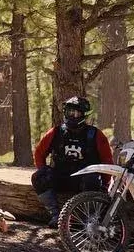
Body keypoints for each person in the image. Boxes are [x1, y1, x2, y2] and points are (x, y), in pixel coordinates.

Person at [31, 96, 113, 227]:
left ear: (84, 115)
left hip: (84, 181)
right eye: (70, 112)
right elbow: (39, 153)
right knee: (39, 176)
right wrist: (43, 169)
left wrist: (105, 184)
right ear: (65, 112)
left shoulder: (96, 135)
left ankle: (85, 219)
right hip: (60, 177)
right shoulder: (55, 132)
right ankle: (55, 215)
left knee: (92, 178)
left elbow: (107, 162)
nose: (73, 116)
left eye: (77, 113)